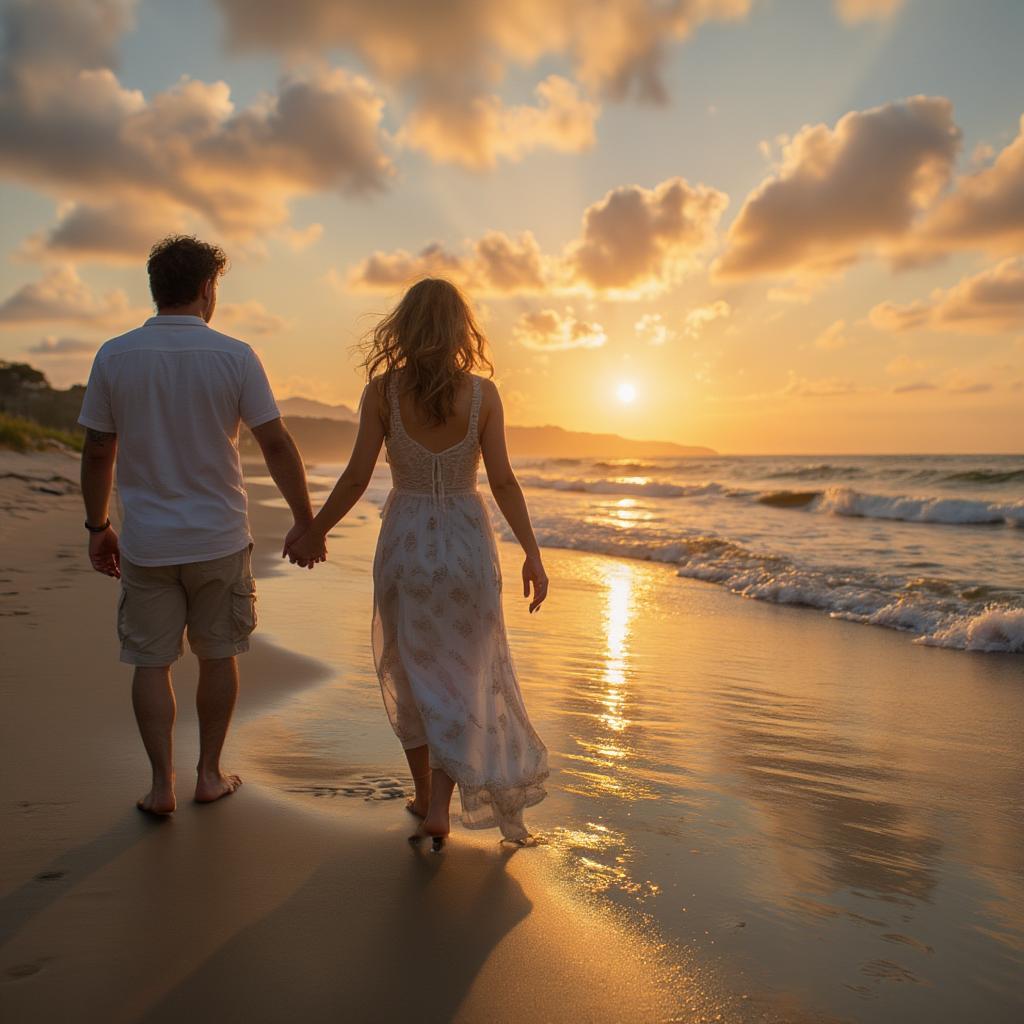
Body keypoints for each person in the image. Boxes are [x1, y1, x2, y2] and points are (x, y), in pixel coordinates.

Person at [287, 278, 549, 848]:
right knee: (462, 672)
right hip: (466, 543)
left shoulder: (382, 393)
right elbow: (502, 480)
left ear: (403, 326)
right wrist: (532, 552)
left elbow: (357, 476)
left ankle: (425, 795)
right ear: (461, 329)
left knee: (409, 667)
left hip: (407, 541)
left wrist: (315, 531)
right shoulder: (483, 395)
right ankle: (439, 805)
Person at [78, 235, 324, 816]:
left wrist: (98, 526)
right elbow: (276, 443)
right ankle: (208, 775)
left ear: (156, 289)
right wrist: (305, 521)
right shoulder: (235, 356)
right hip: (217, 537)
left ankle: (161, 788)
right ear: (207, 289)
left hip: (146, 541)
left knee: (150, 661)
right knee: (219, 655)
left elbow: (96, 450)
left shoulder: (115, 355)